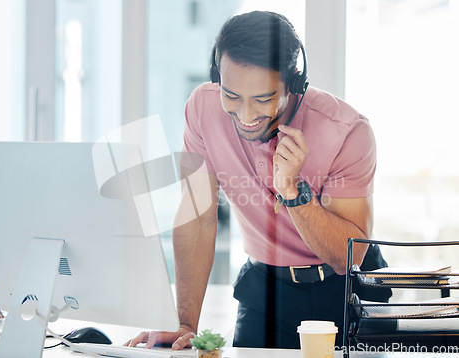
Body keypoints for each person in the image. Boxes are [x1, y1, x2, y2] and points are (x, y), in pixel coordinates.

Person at [127, 10, 390, 350]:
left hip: (344, 291)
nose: (247, 117)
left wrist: (293, 192)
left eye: (263, 99)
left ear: (294, 82)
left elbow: (348, 258)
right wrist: (184, 322)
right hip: (265, 285)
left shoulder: (348, 131)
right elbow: (198, 216)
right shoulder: (202, 109)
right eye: (232, 96)